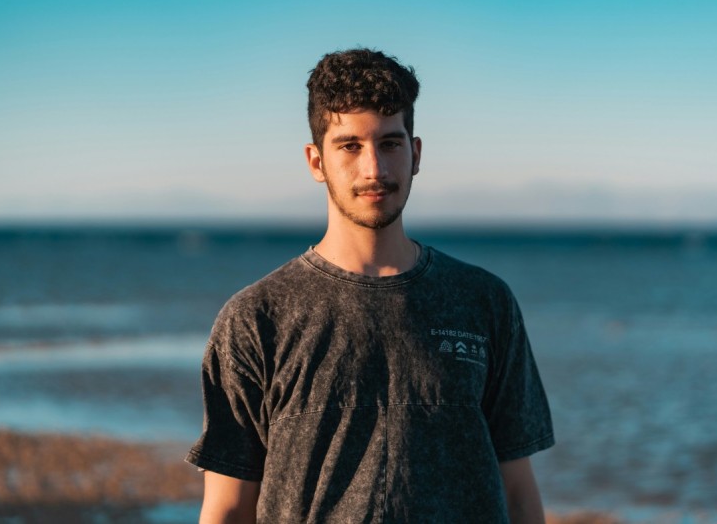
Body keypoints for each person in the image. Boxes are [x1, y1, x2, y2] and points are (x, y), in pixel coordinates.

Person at [186, 48, 555, 523]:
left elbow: (519, 491)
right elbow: (228, 507)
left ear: (415, 153)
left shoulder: (483, 302)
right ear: (316, 161)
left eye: (390, 144)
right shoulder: (257, 319)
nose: (374, 170)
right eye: (350, 146)